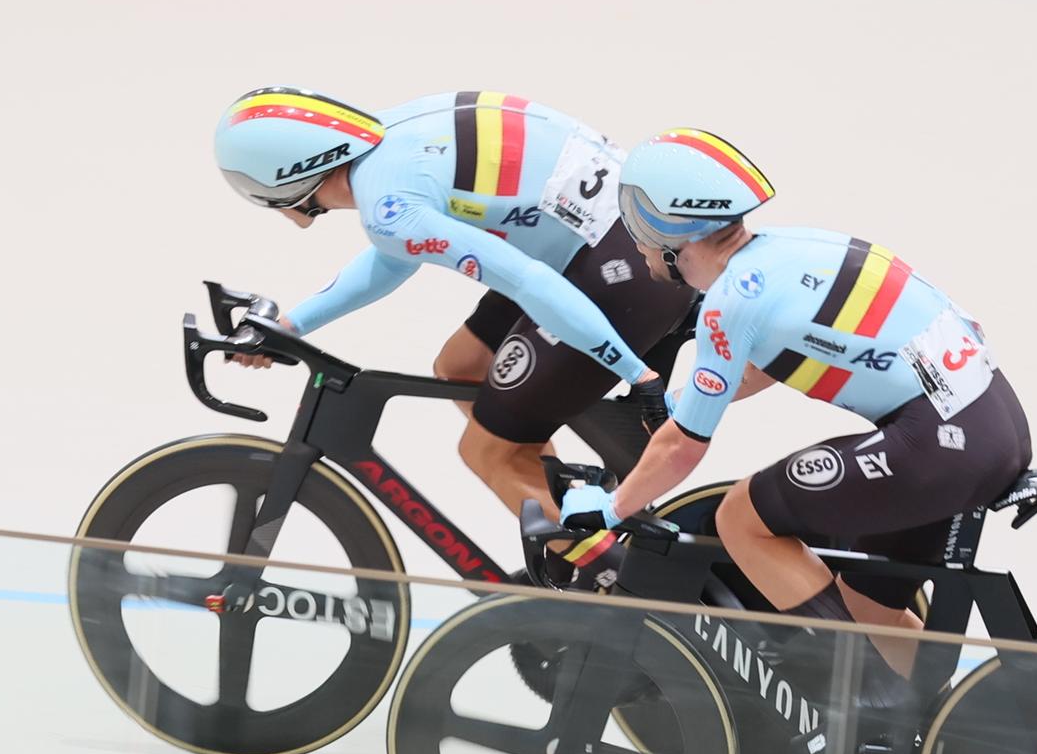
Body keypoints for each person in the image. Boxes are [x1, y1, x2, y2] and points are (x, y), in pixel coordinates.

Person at [561, 127, 1032, 694]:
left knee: (741, 518)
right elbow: (772, 358)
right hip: (988, 424)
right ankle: (943, 721)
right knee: (866, 600)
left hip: (936, 443)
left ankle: (854, 700)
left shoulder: (732, 300)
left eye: (637, 218)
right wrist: (684, 403)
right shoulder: (789, 250)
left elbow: (684, 449)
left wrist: (612, 509)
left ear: (672, 228)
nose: (631, 237)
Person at [213, 87, 693, 518]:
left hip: (625, 267)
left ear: (281, 181)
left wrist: (637, 374)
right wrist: (292, 327)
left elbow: (526, 282)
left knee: (486, 452)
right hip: (604, 244)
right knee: (463, 366)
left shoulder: (389, 205)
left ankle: (603, 585)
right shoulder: (388, 142)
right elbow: (391, 258)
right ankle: (564, 506)